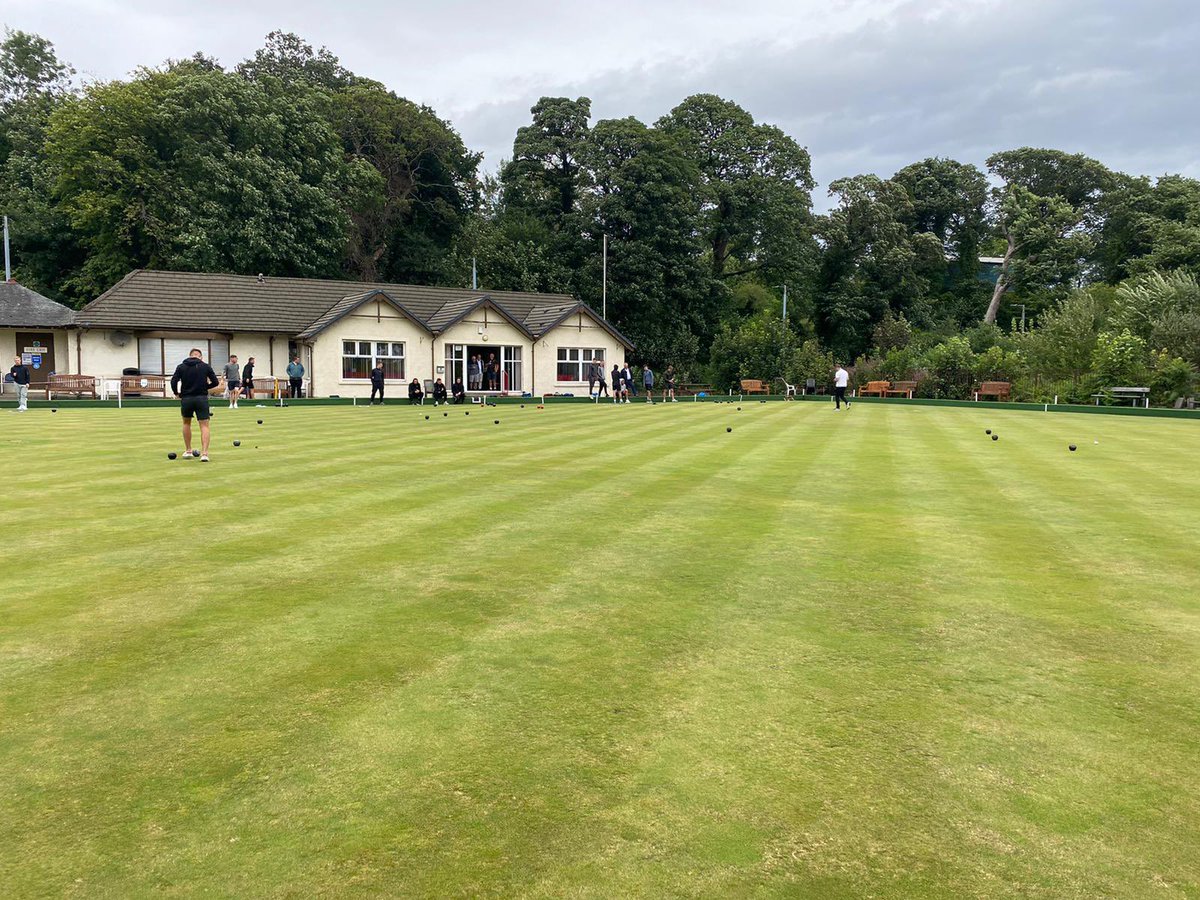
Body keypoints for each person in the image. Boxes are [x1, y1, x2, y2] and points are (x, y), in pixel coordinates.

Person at [170, 347, 219, 462]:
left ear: (190, 355)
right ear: (200, 356)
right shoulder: (205, 366)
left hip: (186, 398)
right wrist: (204, 387)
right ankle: (205, 454)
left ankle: (188, 451)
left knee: (186, 423)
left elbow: (173, 381)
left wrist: (177, 393)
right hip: (201, 398)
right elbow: (215, 382)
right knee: (204, 426)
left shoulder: (181, 366)